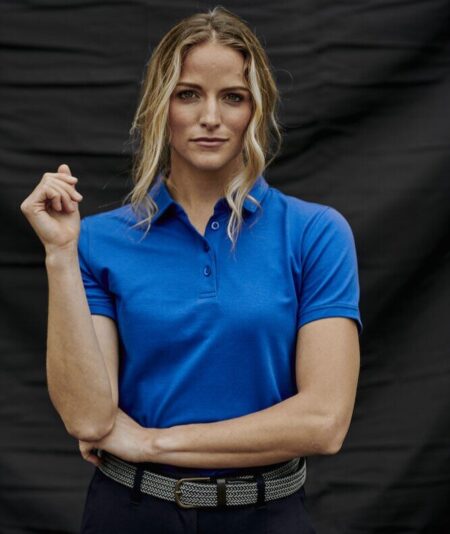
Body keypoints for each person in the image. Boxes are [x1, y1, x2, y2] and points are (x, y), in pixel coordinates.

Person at [20, 6, 363, 534]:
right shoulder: (96, 240)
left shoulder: (315, 233)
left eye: (233, 97)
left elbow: (324, 422)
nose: (210, 116)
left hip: (267, 515)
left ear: (257, 110)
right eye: (188, 94)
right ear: (160, 106)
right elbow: (88, 418)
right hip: (130, 514)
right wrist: (60, 255)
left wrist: (153, 442)